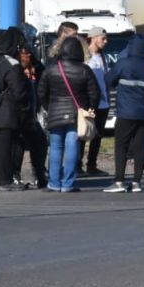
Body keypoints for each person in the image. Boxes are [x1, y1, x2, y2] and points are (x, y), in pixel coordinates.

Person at [38, 36, 100, 192]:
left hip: (55, 113)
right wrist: (91, 109)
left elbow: (41, 92)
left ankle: (53, 182)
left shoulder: (51, 69)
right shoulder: (85, 70)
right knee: (72, 147)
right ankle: (68, 183)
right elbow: (94, 93)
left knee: (55, 147)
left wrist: (49, 107)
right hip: (77, 115)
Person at [103, 34, 144, 193]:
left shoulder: (123, 64)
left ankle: (119, 182)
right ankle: (136, 182)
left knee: (121, 145)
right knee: (140, 146)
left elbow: (108, 80)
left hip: (125, 112)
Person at [0, 28, 31, 192]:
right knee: (7, 146)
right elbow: (18, 91)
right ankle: (6, 179)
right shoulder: (12, 64)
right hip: (9, 111)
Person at [14, 42, 48, 188]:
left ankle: (39, 173)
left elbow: (43, 71)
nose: (27, 56)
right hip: (21, 113)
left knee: (40, 143)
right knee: (19, 145)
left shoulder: (37, 69)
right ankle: (15, 174)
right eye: (24, 54)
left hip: (34, 113)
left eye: (29, 54)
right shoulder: (16, 70)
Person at [77, 27, 110, 176]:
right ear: (95, 38)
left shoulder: (103, 57)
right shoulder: (85, 56)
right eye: (103, 38)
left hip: (103, 103)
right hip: (90, 102)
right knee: (84, 134)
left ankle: (92, 165)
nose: (105, 41)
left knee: (97, 136)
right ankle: (77, 165)